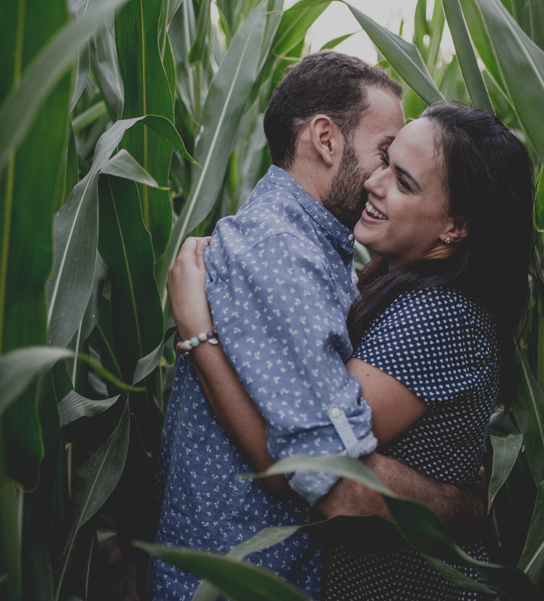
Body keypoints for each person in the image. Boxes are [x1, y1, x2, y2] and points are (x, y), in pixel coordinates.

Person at [151, 52, 486, 600]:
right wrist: (457, 504)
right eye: (383, 155)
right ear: (326, 139)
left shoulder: (316, 248)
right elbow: (321, 469)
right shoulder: (281, 255)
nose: (382, 178)